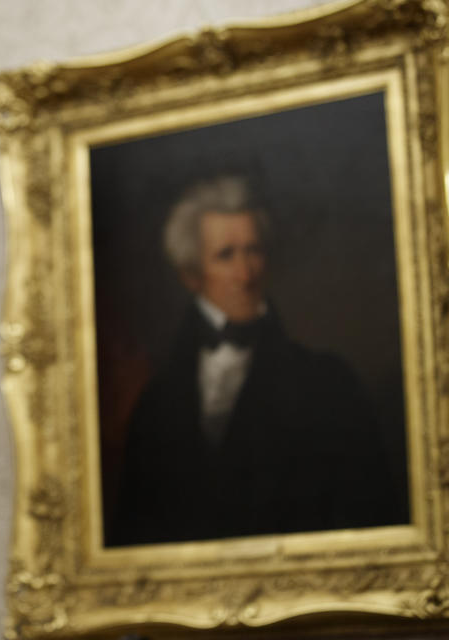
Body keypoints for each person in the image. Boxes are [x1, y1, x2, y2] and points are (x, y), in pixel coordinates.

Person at [105, 176, 404, 547]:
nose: (245, 274)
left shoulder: (328, 383)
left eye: (254, 251)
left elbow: (370, 518)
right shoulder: (156, 403)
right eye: (226, 255)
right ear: (191, 275)